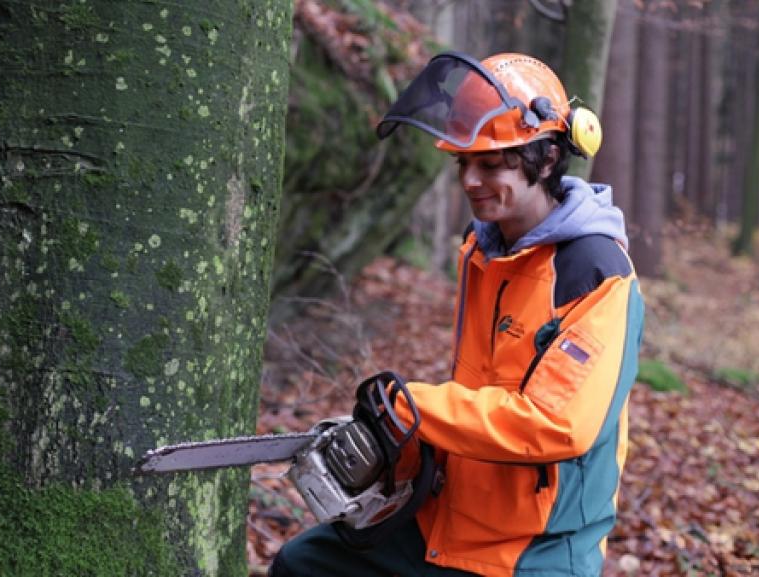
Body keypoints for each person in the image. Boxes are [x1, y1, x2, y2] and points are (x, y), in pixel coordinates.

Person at [270, 52, 644, 577]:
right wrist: (405, 449)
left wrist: (416, 410)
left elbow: (558, 425)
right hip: (448, 515)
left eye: (490, 164)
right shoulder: (483, 249)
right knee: (303, 565)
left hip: (536, 547)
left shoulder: (595, 270)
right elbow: (477, 387)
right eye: (462, 163)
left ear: (546, 158)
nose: (470, 179)